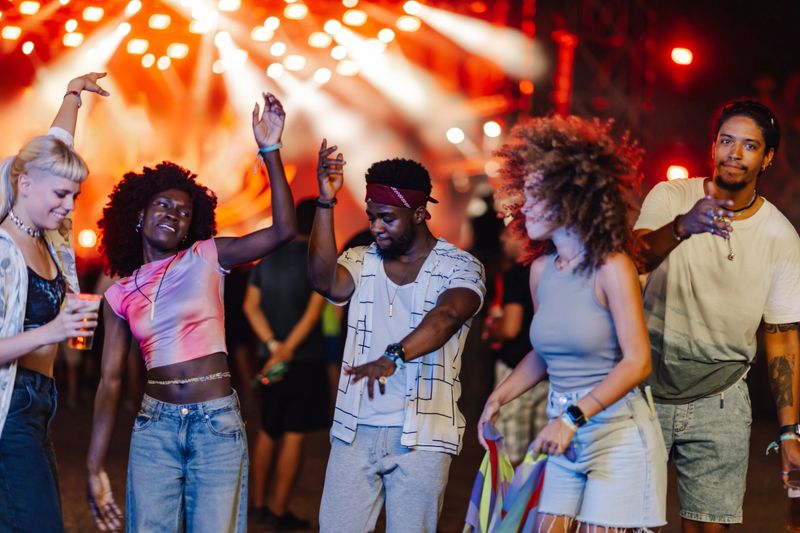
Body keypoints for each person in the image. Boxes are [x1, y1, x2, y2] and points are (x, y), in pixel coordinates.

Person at [86, 92, 296, 532]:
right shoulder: (118, 294)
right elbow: (110, 381)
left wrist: (271, 150)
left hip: (215, 422)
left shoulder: (206, 256)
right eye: (164, 205)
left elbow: (282, 230)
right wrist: (93, 464)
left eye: (184, 212)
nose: (174, 215)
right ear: (139, 215)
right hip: (154, 428)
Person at [479, 115, 667, 531]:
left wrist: (572, 418)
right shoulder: (542, 271)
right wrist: (499, 397)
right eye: (523, 192)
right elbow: (543, 355)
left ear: (571, 198)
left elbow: (637, 362)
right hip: (561, 434)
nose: (523, 204)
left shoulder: (612, 267)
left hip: (616, 435)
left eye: (535, 194)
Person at [635, 100, 800, 532]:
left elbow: (780, 334)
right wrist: (682, 226)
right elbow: (633, 258)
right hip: (643, 392)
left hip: (720, 398)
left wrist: (788, 432)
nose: (735, 152)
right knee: (627, 521)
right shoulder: (671, 197)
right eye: (727, 141)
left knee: (710, 528)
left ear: (766, 158)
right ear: (713, 147)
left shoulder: (779, 235)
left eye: (749, 145)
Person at [309, 140, 486, 533]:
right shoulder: (360, 260)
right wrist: (325, 202)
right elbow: (324, 281)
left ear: (420, 214)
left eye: (386, 218)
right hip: (354, 430)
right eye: (372, 216)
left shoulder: (460, 266)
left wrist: (394, 356)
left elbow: (449, 314)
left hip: (423, 435)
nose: (375, 226)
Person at [0, 72, 109, 532]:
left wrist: (72, 94)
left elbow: (55, 146)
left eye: (75, 196)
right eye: (61, 195)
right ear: (22, 183)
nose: (69, 206)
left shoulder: (51, 239)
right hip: (9, 409)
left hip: (40, 403)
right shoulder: (3, 249)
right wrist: (55, 330)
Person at [243, 197, 328, 531]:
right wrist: (288, 350)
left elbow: (251, 307)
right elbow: (312, 314)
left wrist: (272, 346)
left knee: (268, 429)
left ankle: (259, 505)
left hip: (269, 359)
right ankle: (279, 511)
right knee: (294, 434)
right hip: (304, 360)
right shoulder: (316, 261)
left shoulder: (267, 260)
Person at [482, 225, 547, 464]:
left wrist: (491, 333)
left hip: (517, 371)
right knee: (542, 458)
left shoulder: (517, 274)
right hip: (549, 374)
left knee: (510, 456)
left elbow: (511, 327)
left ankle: (511, 502)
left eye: (507, 233)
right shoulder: (552, 269)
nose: (501, 237)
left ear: (523, 238)